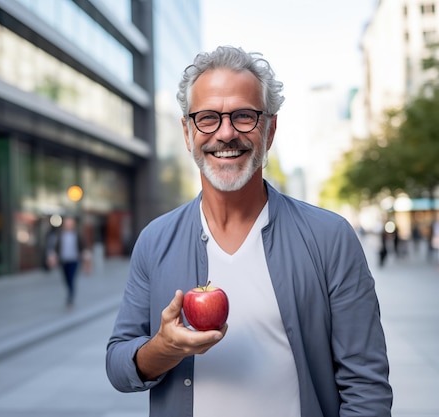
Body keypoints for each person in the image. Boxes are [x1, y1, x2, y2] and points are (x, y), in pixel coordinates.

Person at [106, 46, 392, 417]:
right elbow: (118, 366)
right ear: (188, 131)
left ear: (270, 129)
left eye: (244, 116)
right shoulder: (155, 240)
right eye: (207, 118)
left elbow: (366, 386)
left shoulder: (330, 237)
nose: (226, 133)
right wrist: (165, 346)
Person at [46, 216, 87, 307]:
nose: (68, 225)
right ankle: (69, 292)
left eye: (70, 224)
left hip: (74, 260)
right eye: (67, 223)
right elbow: (56, 247)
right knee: (66, 279)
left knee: (72, 278)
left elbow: (82, 246)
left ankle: (70, 297)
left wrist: (84, 255)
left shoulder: (77, 234)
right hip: (63, 260)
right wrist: (53, 256)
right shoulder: (60, 234)